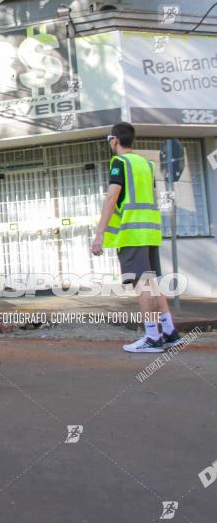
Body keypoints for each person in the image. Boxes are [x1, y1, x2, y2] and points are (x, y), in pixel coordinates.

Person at [91, 122, 183, 353]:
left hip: (132, 232)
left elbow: (112, 198)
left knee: (142, 282)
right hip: (150, 231)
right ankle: (169, 332)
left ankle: (152, 336)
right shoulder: (146, 164)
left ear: (114, 140)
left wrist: (99, 234)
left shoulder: (120, 163)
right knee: (152, 282)